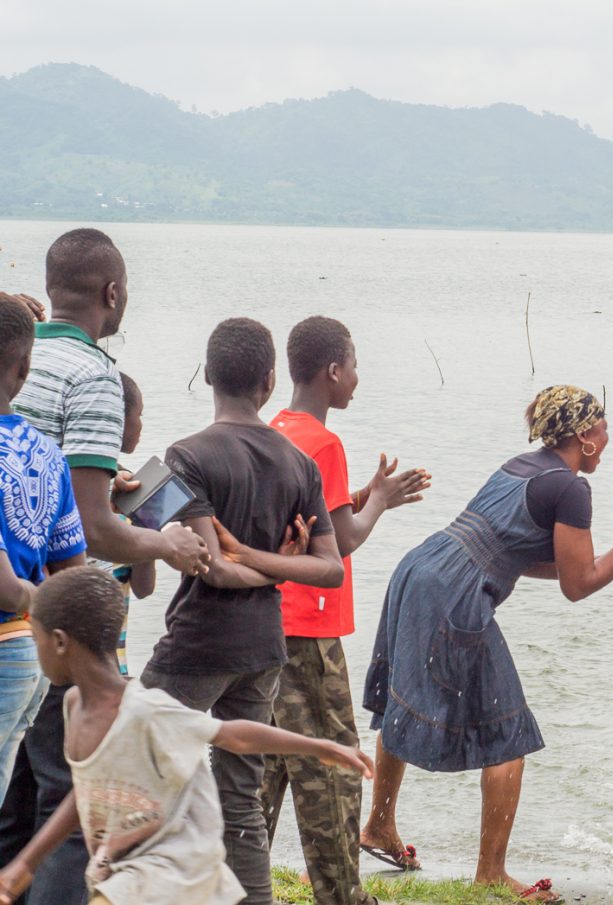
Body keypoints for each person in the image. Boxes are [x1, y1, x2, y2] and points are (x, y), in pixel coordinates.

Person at [361, 385, 613, 901]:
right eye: (602, 429)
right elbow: (577, 586)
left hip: (420, 571)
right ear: (583, 437)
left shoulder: (522, 465)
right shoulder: (570, 488)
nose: (607, 438)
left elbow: (517, 555)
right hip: (454, 595)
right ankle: (490, 872)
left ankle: (379, 825)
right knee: (507, 729)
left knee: (402, 696)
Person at [1, 230, 209, 905]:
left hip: (27, 619)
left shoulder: (23, 344)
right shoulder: (93, 375)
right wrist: (166, 545)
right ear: (112, 293)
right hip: (51, 624)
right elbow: (92, 528)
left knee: (17, 791)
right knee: (70, 801)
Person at [0, 567, 373, 905]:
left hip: (176, 867)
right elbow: (85, 792)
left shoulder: (144, 710)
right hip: (124, 866)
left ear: (61, 642)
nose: (36, 648)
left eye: (36, 637)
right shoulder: (74, 706)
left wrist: (319, 745)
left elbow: (232, 735)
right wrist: (25, 865)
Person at [139, 317, 345, 905]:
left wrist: (247, 555)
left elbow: (217, 569)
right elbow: (328, 567)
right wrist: (277, 563)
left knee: (137, 763)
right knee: (240, 797)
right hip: (263, 647)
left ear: (208, 375)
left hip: (201, 643)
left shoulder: (189, 455)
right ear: (270, 379)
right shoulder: (296, 462)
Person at [258, 316, 430, 905]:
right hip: (309, 627)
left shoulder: (276, 429)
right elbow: (343, 541)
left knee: (266, 768)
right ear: (333, 371)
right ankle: (343, 894)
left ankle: (237, 884)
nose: (356, 378)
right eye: (352, 366)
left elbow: (308, 517)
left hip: (265, 624)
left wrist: (357, 496)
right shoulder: (324, 441)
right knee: (332, 768)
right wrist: (378, 501)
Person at [0, 296, 88, 796]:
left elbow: (6, 588)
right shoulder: (47, 454)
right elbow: (72, 571)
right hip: (26, 659)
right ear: (25, 369)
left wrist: (30, 596)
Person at [87, 373, 156, 678]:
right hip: (107, 671)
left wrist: (146, 528)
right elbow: (145, 588)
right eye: (139, 415)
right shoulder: (109, 518)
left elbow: (144, 588)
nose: (141, 425)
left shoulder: (116, 504)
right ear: (117, 421)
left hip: (112, 667)